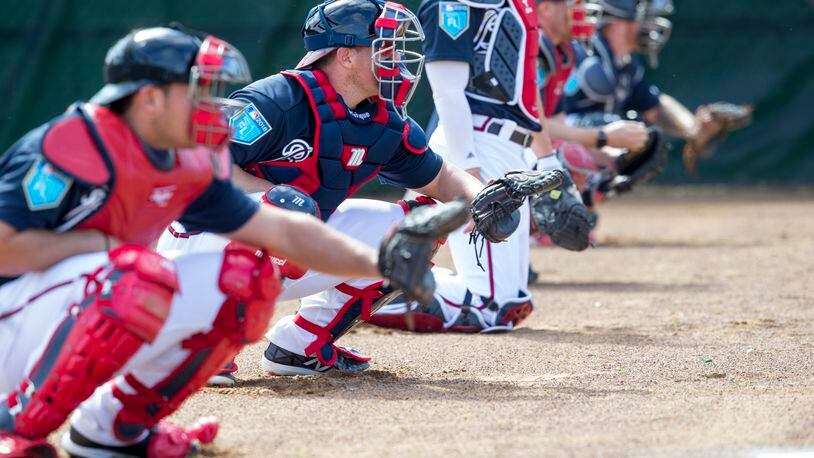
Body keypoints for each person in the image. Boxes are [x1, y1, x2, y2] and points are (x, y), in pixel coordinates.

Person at [0, 25, 454, 457]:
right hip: (13, 316)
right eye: (195, 91)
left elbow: (280, 230)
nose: (209, 106)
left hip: (74, 305)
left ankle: (111, 432)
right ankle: (12, 428)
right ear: (150, 98)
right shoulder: (74, 145)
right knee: (138, 277)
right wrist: (108, 252)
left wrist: (381, 260)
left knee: (239, 286)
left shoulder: (182, 160)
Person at [157, 0, 557, 380]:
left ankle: (301, 345)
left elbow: (440, 178)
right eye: (384, 46)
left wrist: (481, 195)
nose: (397, 57)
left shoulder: (381, 118)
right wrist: (280, 203)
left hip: (289, 245)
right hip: (200, 249)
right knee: (288, 206)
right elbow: (204, 166)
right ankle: (202, 348)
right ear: (345, 55)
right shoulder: (278, 99)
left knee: (417, 227)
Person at [371, 0, 592, 327]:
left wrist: (547, 163)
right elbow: (448, 92)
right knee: (492, 306)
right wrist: (473, 181)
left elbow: (527, 99)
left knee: (514, 302)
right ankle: (359, 284)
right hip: (475, 145)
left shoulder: (519, 5)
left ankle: (372, 277)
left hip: (510, 149)